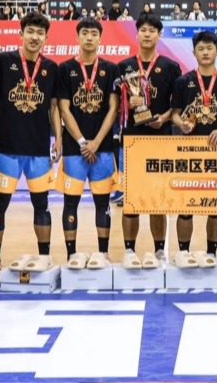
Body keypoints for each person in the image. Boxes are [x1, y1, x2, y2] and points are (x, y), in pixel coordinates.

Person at [0, 12, 62, 287]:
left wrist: (58, 139)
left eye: (40, 33)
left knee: (42, 205)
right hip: (6, 148)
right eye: (30, 31)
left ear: (46, 38)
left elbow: (53, 107)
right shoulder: (4, 61)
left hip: (38, 149)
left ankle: (45, 257)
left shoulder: (51, 68)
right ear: (21, 33)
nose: (35, 37)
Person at [169, 31, 217, 268]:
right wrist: (182, 124)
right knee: (185, 207)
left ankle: (211, 253)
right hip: (189, 152)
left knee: (215, 207)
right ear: (194, 52)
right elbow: (175, 114)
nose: (206, 52)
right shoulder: (183, 82)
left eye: (210, 48)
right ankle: (183, 252)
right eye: (201, 48)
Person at [114, 14, 180, 267]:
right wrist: (127, 102)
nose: (147, 34)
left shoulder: (171, 66)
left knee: (157, 198)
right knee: (131, 198)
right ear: (137, 33)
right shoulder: (124, 66)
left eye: (152, 30)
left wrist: (163, 119)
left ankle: (160, 250)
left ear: (159, 35)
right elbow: (114, 104)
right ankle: (129, 250)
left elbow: (177, 105)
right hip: (133, 141)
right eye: (143, 29)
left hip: (161, 139)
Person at [56, 19, 120, 268]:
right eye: (85, 33)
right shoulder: (65, 69)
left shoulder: (111, 69)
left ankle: (103, 253)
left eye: (94, 33)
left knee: (102, 203)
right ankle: (71, 254)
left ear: (100, 38)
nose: (90, 37)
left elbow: (113, 108)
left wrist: (96, 142)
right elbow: (64, 108)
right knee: (70, 202)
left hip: (102, 149)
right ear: (77, 37)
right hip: (75, 149)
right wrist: (84, 142)